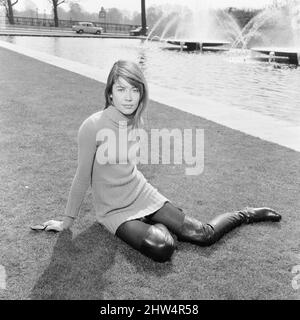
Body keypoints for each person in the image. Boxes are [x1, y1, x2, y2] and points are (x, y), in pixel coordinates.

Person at [31, 60, 281, 263]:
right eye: (121, 89)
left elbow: (125, 166)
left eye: (134, 89)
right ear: (109, 94)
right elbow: (82, 176)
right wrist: (67, 221)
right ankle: (153, 223)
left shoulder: (134, 121)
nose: (128, 97)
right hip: (114, 211)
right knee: (164, 248)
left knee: (203, 235)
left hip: (141, 193)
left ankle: (246, 213)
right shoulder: (92, 126)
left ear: (141, 93)